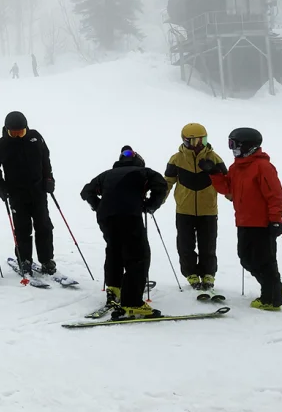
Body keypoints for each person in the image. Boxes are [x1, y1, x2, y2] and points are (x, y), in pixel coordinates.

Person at [201, 127, 282, 311]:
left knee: (263, 261)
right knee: (246, 259)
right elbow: (227, 189)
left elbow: (275, 195)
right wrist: (214, 173)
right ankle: (274, 286)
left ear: (248, 146)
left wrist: (275, 220)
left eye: (234, 145)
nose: (232, 149)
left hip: (262, 223)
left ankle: (271, 299)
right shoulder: (236, 168)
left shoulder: (263, 167)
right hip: (244, 221)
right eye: (230, 144)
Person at [81, 146, 168, 318]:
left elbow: (86, 191)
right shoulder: (144, 172)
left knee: (114, 250)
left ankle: (114, 288)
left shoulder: (106, 174)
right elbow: (161, 185)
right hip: (129, 215)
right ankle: (132, 302)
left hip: (106, 217)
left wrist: (99, 206)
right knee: (138, 256)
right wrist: (150, 205)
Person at [0, 111, 57, 277]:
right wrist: (1, 187)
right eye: (14, 133)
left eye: (21, 132)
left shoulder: (35, 138)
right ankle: (24, 259)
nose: (18, 136)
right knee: (22, 228)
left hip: (38, 191)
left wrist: (49, 178)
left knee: (44, 225)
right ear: (7, 130)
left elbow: (45, 159)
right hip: (16, 194)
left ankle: (46, 259)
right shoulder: (1, 145)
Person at [164, 123, 226, 290]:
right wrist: (157, 201)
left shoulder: (214, 158)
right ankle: (190, 273)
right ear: (185, 141)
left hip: (208, 210)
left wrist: (235, 198)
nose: (199, 144)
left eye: (202, 140)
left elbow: (227, 183)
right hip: (184, 209)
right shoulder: (176, 159)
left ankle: (208, 274)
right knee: (185, 244)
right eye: (195, 141)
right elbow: (168, 182)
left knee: (208, 244)